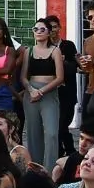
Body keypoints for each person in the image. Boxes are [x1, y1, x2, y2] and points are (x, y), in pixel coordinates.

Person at [18, 18, 64, 167]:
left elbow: (60, 78)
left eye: (42, 29)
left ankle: (50, 171)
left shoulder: (55, 51)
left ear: (49, 32)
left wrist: (41, 91)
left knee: (51, 133)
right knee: (33, 133)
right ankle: (35, 169)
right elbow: (23, 77)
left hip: (48, 93)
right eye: (35, 29)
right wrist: (31, 90)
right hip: (31, 93)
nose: (38, 32)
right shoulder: (28, 51)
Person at [46, 15, 79, 157]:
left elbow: (74, 68)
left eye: (54, 27)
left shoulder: (68, 45)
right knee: (55, 126)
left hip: (67, 93)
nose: (52, 30)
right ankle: (64, 152)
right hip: (50, 93)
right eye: (49, 28)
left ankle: (69, 151)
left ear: (59, 28)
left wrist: (62, 63)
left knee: (62, 125)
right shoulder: (43, 48)